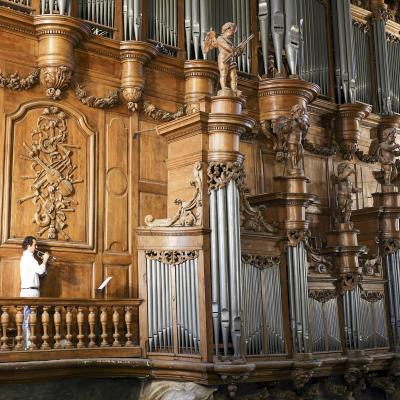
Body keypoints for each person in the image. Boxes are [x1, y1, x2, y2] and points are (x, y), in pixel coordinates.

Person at [20, 236, 49, 350]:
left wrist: (43, 263)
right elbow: (41, 270)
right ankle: (26, 346)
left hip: (31, 291)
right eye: (34, 245)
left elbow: (41, 273)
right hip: (30, 292)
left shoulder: (30, 258)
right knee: (28, 320)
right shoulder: (28, 259)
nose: (36, 247)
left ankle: (27, 345)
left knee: (30, 320)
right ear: (28, 246)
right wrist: (45, 260)